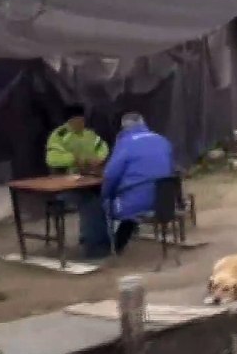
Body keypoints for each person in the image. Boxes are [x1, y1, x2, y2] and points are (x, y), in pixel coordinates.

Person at [102, 112, 174, 253]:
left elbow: (111, 175)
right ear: (143, 123)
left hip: (135, 203)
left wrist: (105, 194)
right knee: (133, 197)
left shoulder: (125, 144)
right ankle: (123, 238)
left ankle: (104, 248)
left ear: (123, 128)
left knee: (99, 204)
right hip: (164, 201)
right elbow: (169, 168)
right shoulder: (162, 140)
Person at [45, 105, 111, 258]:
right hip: (65, 187)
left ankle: (103, 240)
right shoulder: (59, 136)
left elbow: (103, 147)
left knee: (108, 196)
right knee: (91, 203)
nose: (80, 124)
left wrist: (98, 158)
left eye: (82, 120)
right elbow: (52, 159)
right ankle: (94, 248)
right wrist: (73, 160)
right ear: (70, 120)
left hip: (89, 182)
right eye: (77, 120)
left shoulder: (89, 134)